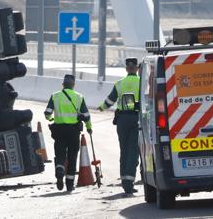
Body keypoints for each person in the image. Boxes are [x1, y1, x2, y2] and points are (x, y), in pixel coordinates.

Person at [97, 57, 141, 193]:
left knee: (124, 150)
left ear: (127, 68)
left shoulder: (119, 83)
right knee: (133, 151)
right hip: (136, 119)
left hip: (122, 120)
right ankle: (129, 181)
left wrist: (101, 108)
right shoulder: (142, 83)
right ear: (138, 68)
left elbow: (110, 100)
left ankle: (124, 180)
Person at [44, 74, 92, 192]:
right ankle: (69, 184)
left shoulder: (55, 96)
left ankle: (59, 170)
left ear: (63, 85)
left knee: (60, 154)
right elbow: (86, 116)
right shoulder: (79, 97)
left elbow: (47, 113)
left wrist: (51, 120)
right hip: (74, 131)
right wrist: (89, 127)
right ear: (73, 85)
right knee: (72, 157)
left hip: (59, 130)